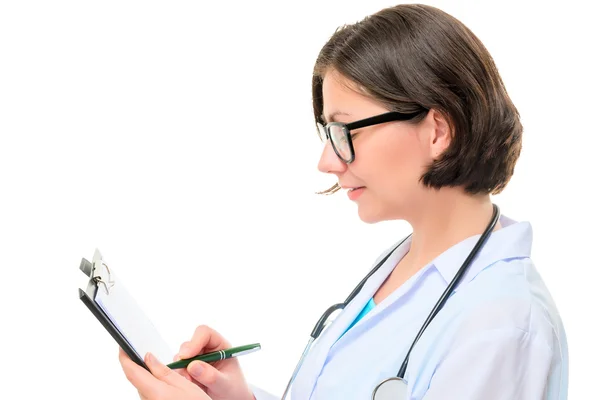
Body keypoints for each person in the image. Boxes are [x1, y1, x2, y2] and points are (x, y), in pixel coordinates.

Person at [118, 3, 568, 399]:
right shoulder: (407, 265)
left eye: (344, 131)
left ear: (437, 130)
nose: (327, 161)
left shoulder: (503, 325)